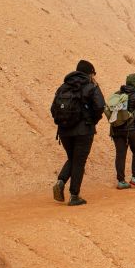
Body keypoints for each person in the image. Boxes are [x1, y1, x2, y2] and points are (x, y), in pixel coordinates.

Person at [50, 60, 106, 206]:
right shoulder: (91, 86)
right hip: (83, 130)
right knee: (79, 161)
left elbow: (53, 109)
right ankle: (74, 195)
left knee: (72, 158)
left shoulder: (64, 86)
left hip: (64, 130)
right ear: (89, 72)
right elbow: (100, 106)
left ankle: (61, 181)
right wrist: (92, 120)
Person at [109, 73, 135, 189]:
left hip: (117, 130)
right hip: (133, 129)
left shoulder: (117, 94)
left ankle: (121, 181)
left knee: (120, 154)